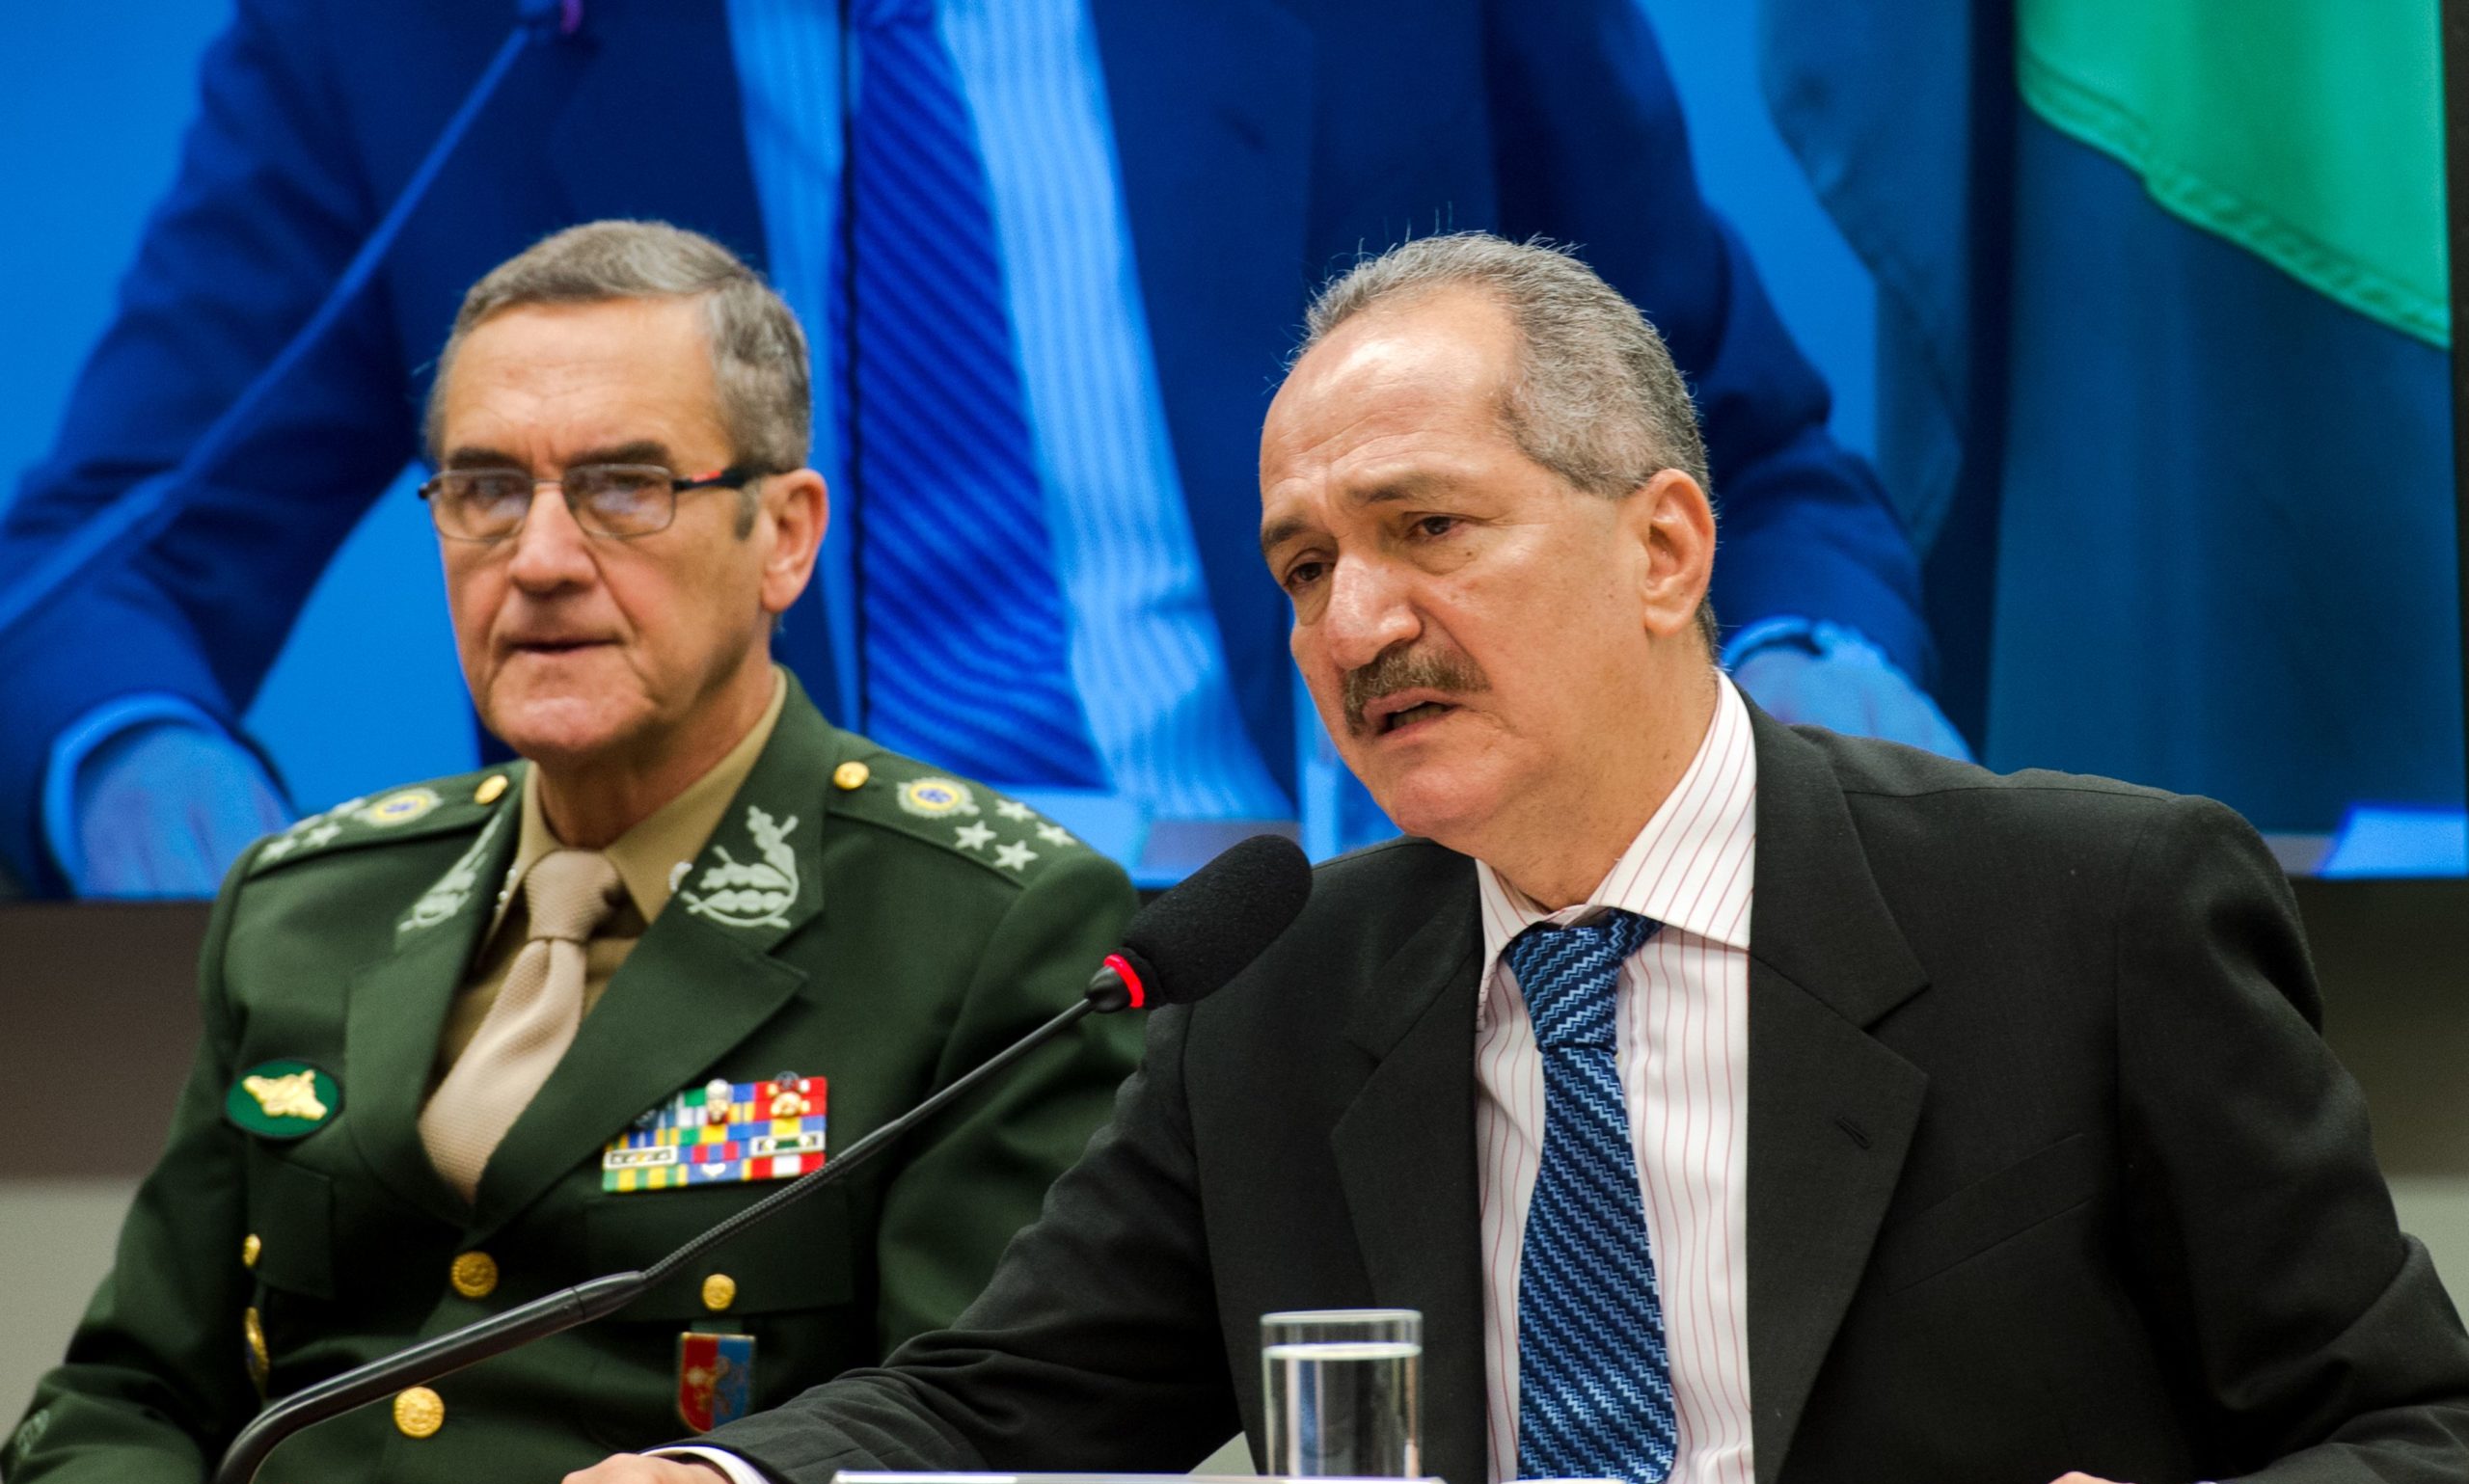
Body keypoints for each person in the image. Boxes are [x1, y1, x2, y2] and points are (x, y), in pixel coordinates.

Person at [448, 234, 2469, 1484]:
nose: (1350, 623)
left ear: (1665, 545)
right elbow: (998, 1403)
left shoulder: (2082, 909)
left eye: (1425, 531)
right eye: (1303, 565)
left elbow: (2427, 1433)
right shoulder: (1284, 983)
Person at [0, 0, 1961, 899]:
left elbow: (1752, 472)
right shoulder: (429, 36)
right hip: (747, 1007)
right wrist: (154, 792)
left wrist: (1814, 704)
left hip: (1361, 937)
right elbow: (102, 568)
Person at [0, 222, 1142, 1484]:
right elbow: (118, 1398)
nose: (538, 559)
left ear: (784, 535)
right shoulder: (302, 907)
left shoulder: (986, 924)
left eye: (623, 486)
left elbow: (989, 1436)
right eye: (485, 489)